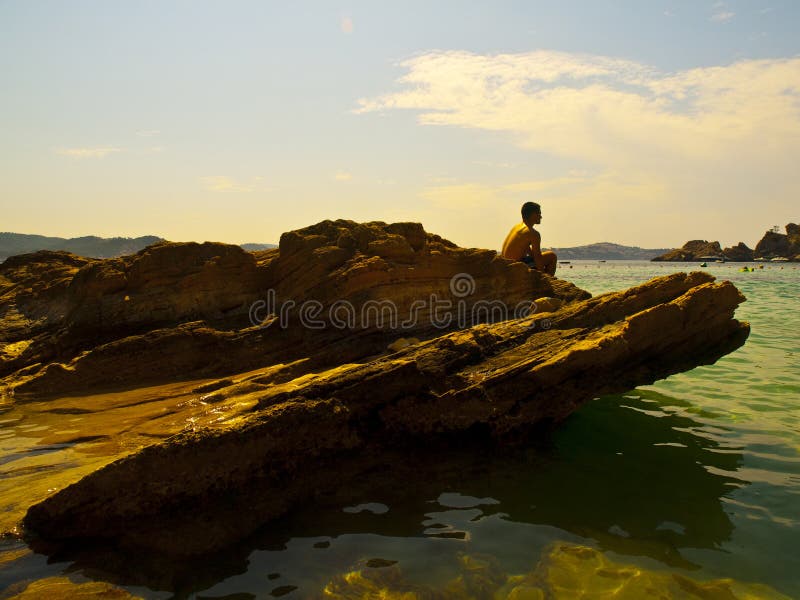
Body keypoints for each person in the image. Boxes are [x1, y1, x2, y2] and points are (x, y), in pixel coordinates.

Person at [501, 201, 557, 275]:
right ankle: (550, 281)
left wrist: (533, 257)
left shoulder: (517, 227)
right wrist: (544, 279)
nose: (541, 217)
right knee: (552, 256)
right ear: (533, 215)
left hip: (504, 266)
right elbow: (538, 260)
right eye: (539, 213)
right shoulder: (533, 233)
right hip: (515, 268)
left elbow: (527, 249)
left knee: (542, 256)